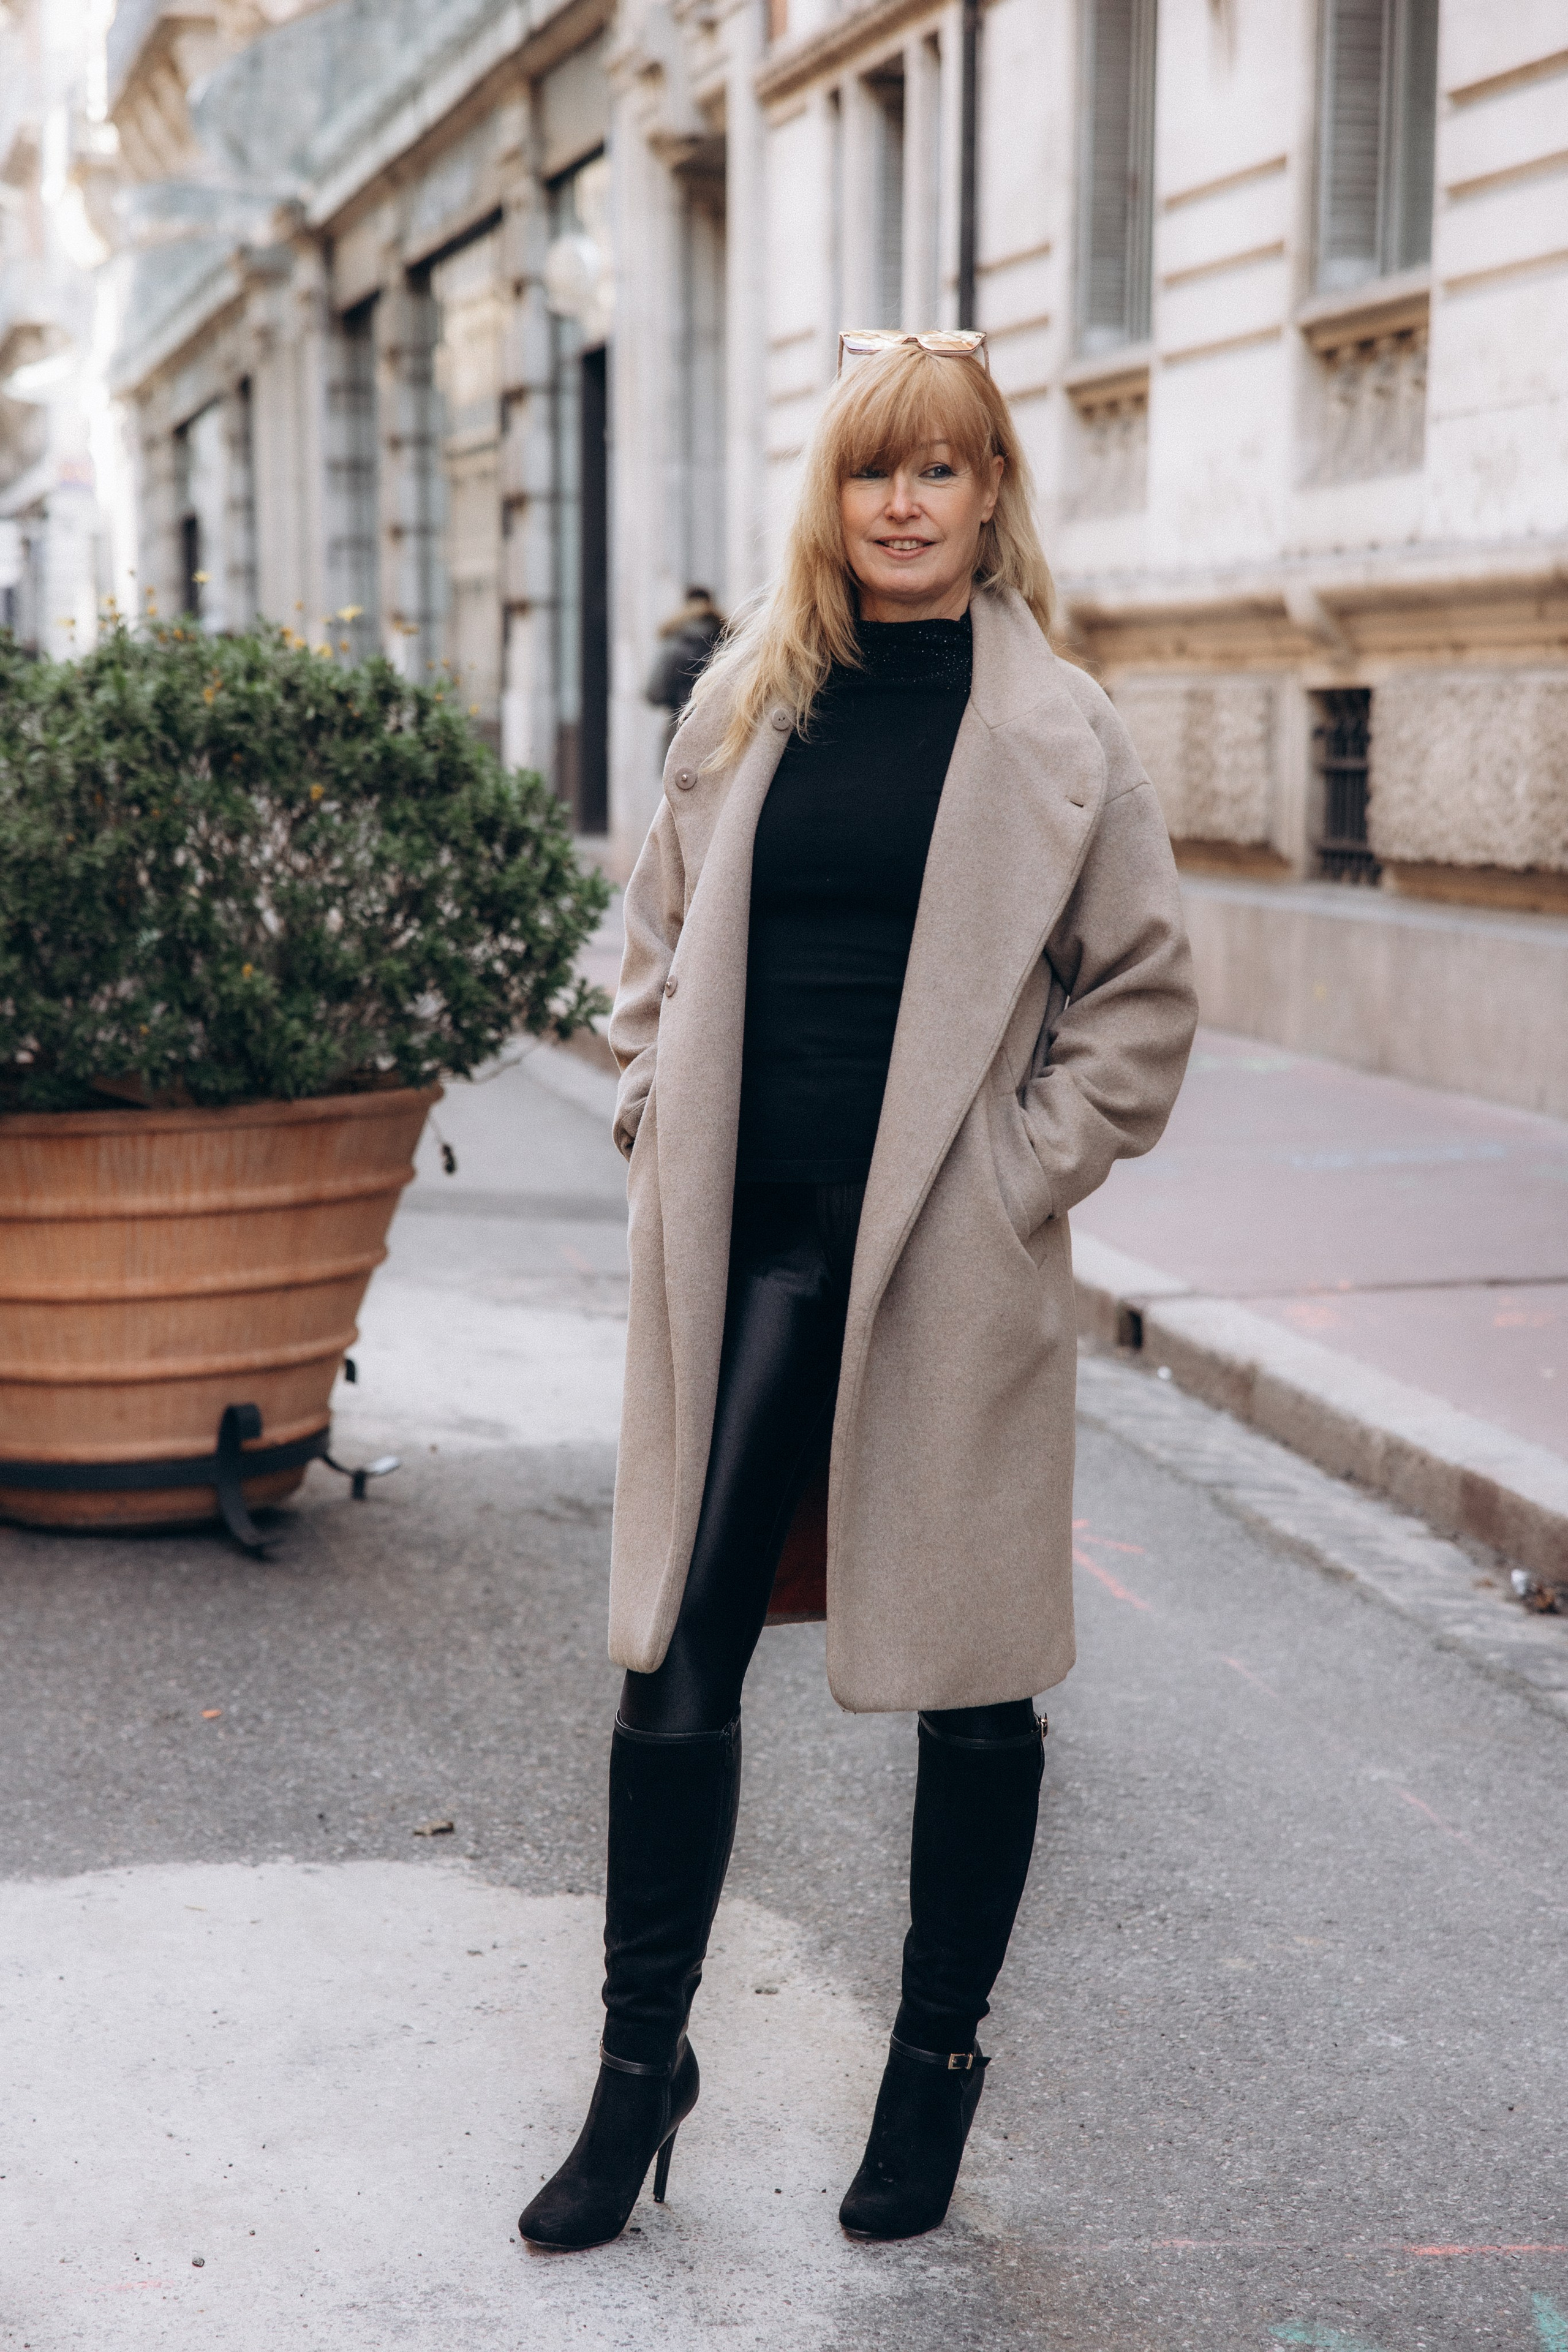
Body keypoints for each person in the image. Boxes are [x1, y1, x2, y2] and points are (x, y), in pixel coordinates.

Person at [519, 329, 1197, 2253]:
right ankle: (640, 2068)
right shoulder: (744, 706)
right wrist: (657, 1109)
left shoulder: (1061, 729)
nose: (901, 504)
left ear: (990, 497)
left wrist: (1012, 1179)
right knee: (674, 1659)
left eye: (939, 471)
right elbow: (647, 942)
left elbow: (1139, 999)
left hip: (943, 1255)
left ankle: (933, 2064)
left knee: (973, 1683)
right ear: (827, 498)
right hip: (743, 1244)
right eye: (866, 472)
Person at [645, 586, 726, 723]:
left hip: (680, 726)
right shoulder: (727, 642)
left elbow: (654, 694)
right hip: (720, 729)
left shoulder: (674, 643)